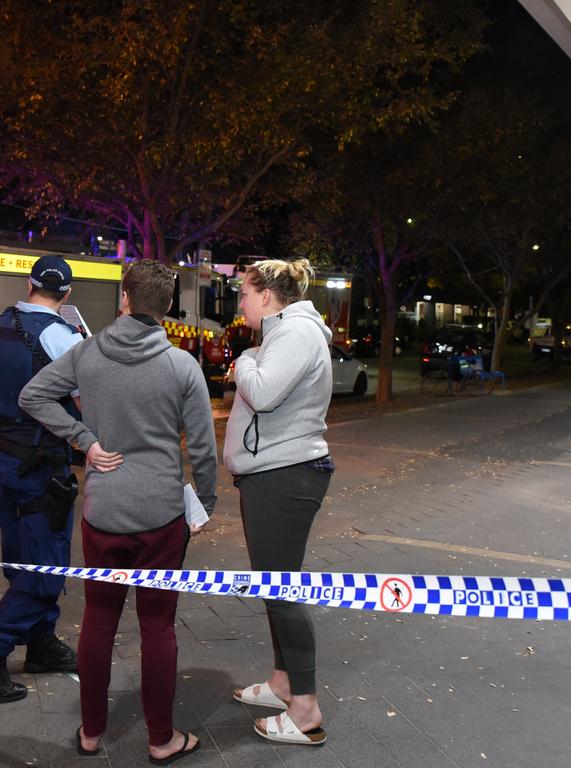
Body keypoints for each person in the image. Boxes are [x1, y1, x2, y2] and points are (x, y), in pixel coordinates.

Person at [20, 259, 217, 765]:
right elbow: (202, 448)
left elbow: (32, 394)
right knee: (158, 626)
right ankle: (161, 738)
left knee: (99, 619)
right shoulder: (181, 366)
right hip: (160, 515)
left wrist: (84, 441)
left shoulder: (86, 353)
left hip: (103, 512)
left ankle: (90, 733)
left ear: (124, 298)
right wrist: (206, 501)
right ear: (167, 307)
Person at [0, 254, 84, 703]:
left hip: (2, 462)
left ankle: (42, 644)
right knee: (46, 564)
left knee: (19, 554)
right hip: (43, 466)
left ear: (28, 284)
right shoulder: (65, 339)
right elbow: (81, 405)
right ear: (66, 294)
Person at [223, 258, 334, 747]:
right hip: (273, 474)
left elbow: (263, 394)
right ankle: (284, 683)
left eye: (244, 293)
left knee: (283, 590)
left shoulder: (295, 334)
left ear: (267, 294)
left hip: (284, 477)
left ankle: (306, 706)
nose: (240, 301)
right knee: (275, 587)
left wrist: (244, 362)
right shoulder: (286, 332)